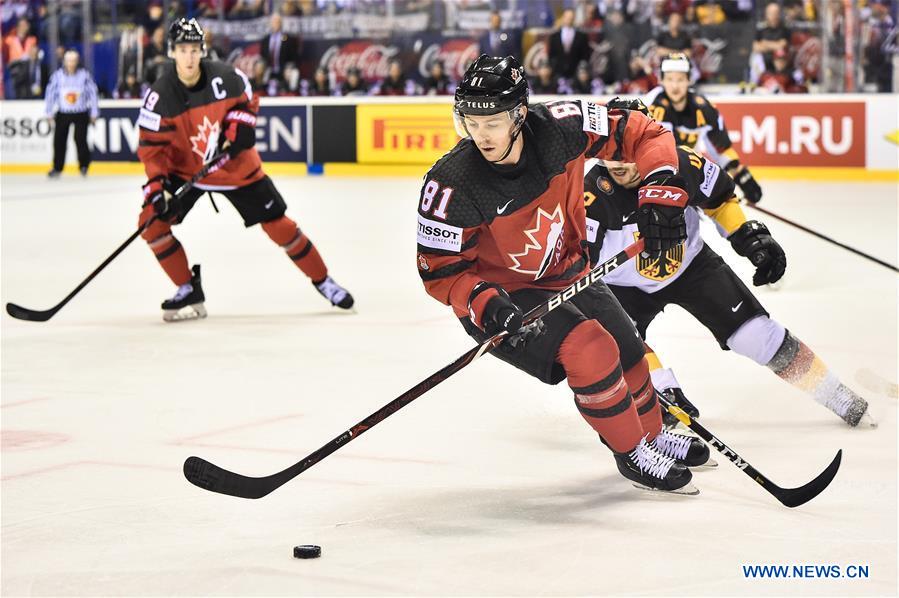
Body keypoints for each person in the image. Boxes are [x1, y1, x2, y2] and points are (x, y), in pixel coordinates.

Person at [416, 54, 709, 495]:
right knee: (591, 348)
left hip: (568, 272)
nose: (481, 135)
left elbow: (642, 131)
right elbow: (441, 271)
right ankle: (632, 452)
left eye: (492, 122)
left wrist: (661, 188)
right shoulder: (451, 184)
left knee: (629, 347)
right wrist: (486, 304)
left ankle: (652, 434)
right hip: (503, 298)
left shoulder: (561, 128)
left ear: (518, 114)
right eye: (470, 123)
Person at [581, 99, 875, 429]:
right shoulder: (588, 194)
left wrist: (746, 236)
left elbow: (719, 198)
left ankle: (836, 394)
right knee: (622, 348)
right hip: (621, 287)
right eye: (608, 150)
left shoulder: (682, 164)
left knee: (757, 335)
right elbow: (577, 261)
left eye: (627, 149)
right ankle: (661, 404)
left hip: (691, 268)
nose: (616, 161)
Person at [136, 18, 354, 322]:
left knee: (280, 226)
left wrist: (240, 125)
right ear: (172, 52)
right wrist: (157, 187)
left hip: (235, 169)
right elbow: (151, 147)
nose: (189, 56)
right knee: (151, 223)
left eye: (195, 49)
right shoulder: (159, 96)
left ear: (203, 50)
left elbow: (248, 103)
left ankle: (324, 281)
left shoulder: (227, 77)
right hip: (186, 172)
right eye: (183, 49)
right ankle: (187, 287)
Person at [645, 53, 763, 203]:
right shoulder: (649, 106)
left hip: (688, 171)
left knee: (725, 205)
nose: (675, 86)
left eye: (680, 79)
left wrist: (743, 178)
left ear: (689, 80)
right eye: (669, 79)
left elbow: (721, 149)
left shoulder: (704, 109)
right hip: (657, 177)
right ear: (661, 80)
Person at [44, 49, 98, 178]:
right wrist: (49, 112)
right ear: (64, 61)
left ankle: (84, 165)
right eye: (69, 61)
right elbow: (50, 93)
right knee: (59, 141)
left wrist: (94, 112)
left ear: (77, 61)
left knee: (80, 139)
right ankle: (57, 167)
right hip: (63, 112)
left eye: (73, 61)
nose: (71, 64)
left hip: (81, 112)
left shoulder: (84, 75)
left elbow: (93, 93)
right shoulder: (57, 76)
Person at [548, 8, 591, 79]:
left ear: (574, 18)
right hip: (558, 74)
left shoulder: (582, 36)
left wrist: (582, 71)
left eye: (571, 17)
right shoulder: (554, 36)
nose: (569, 19)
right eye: (567, 17)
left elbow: (586, 56)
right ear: (563, 18)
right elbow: (551, 56)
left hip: (576, 74)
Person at [259, 12, 299, 84]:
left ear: (281, 23)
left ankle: (290, 92)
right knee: (259, 68)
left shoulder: (287, 38)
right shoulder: (265, 39)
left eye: (277, 21)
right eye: (274, 21)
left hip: (283, 69)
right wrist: (262, 66)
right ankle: (259, 89)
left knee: (292, 73)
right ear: (270, 23)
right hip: (269, 69)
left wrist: (289, 67)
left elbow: (294, 57)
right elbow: (262, 56)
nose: (275, 24)